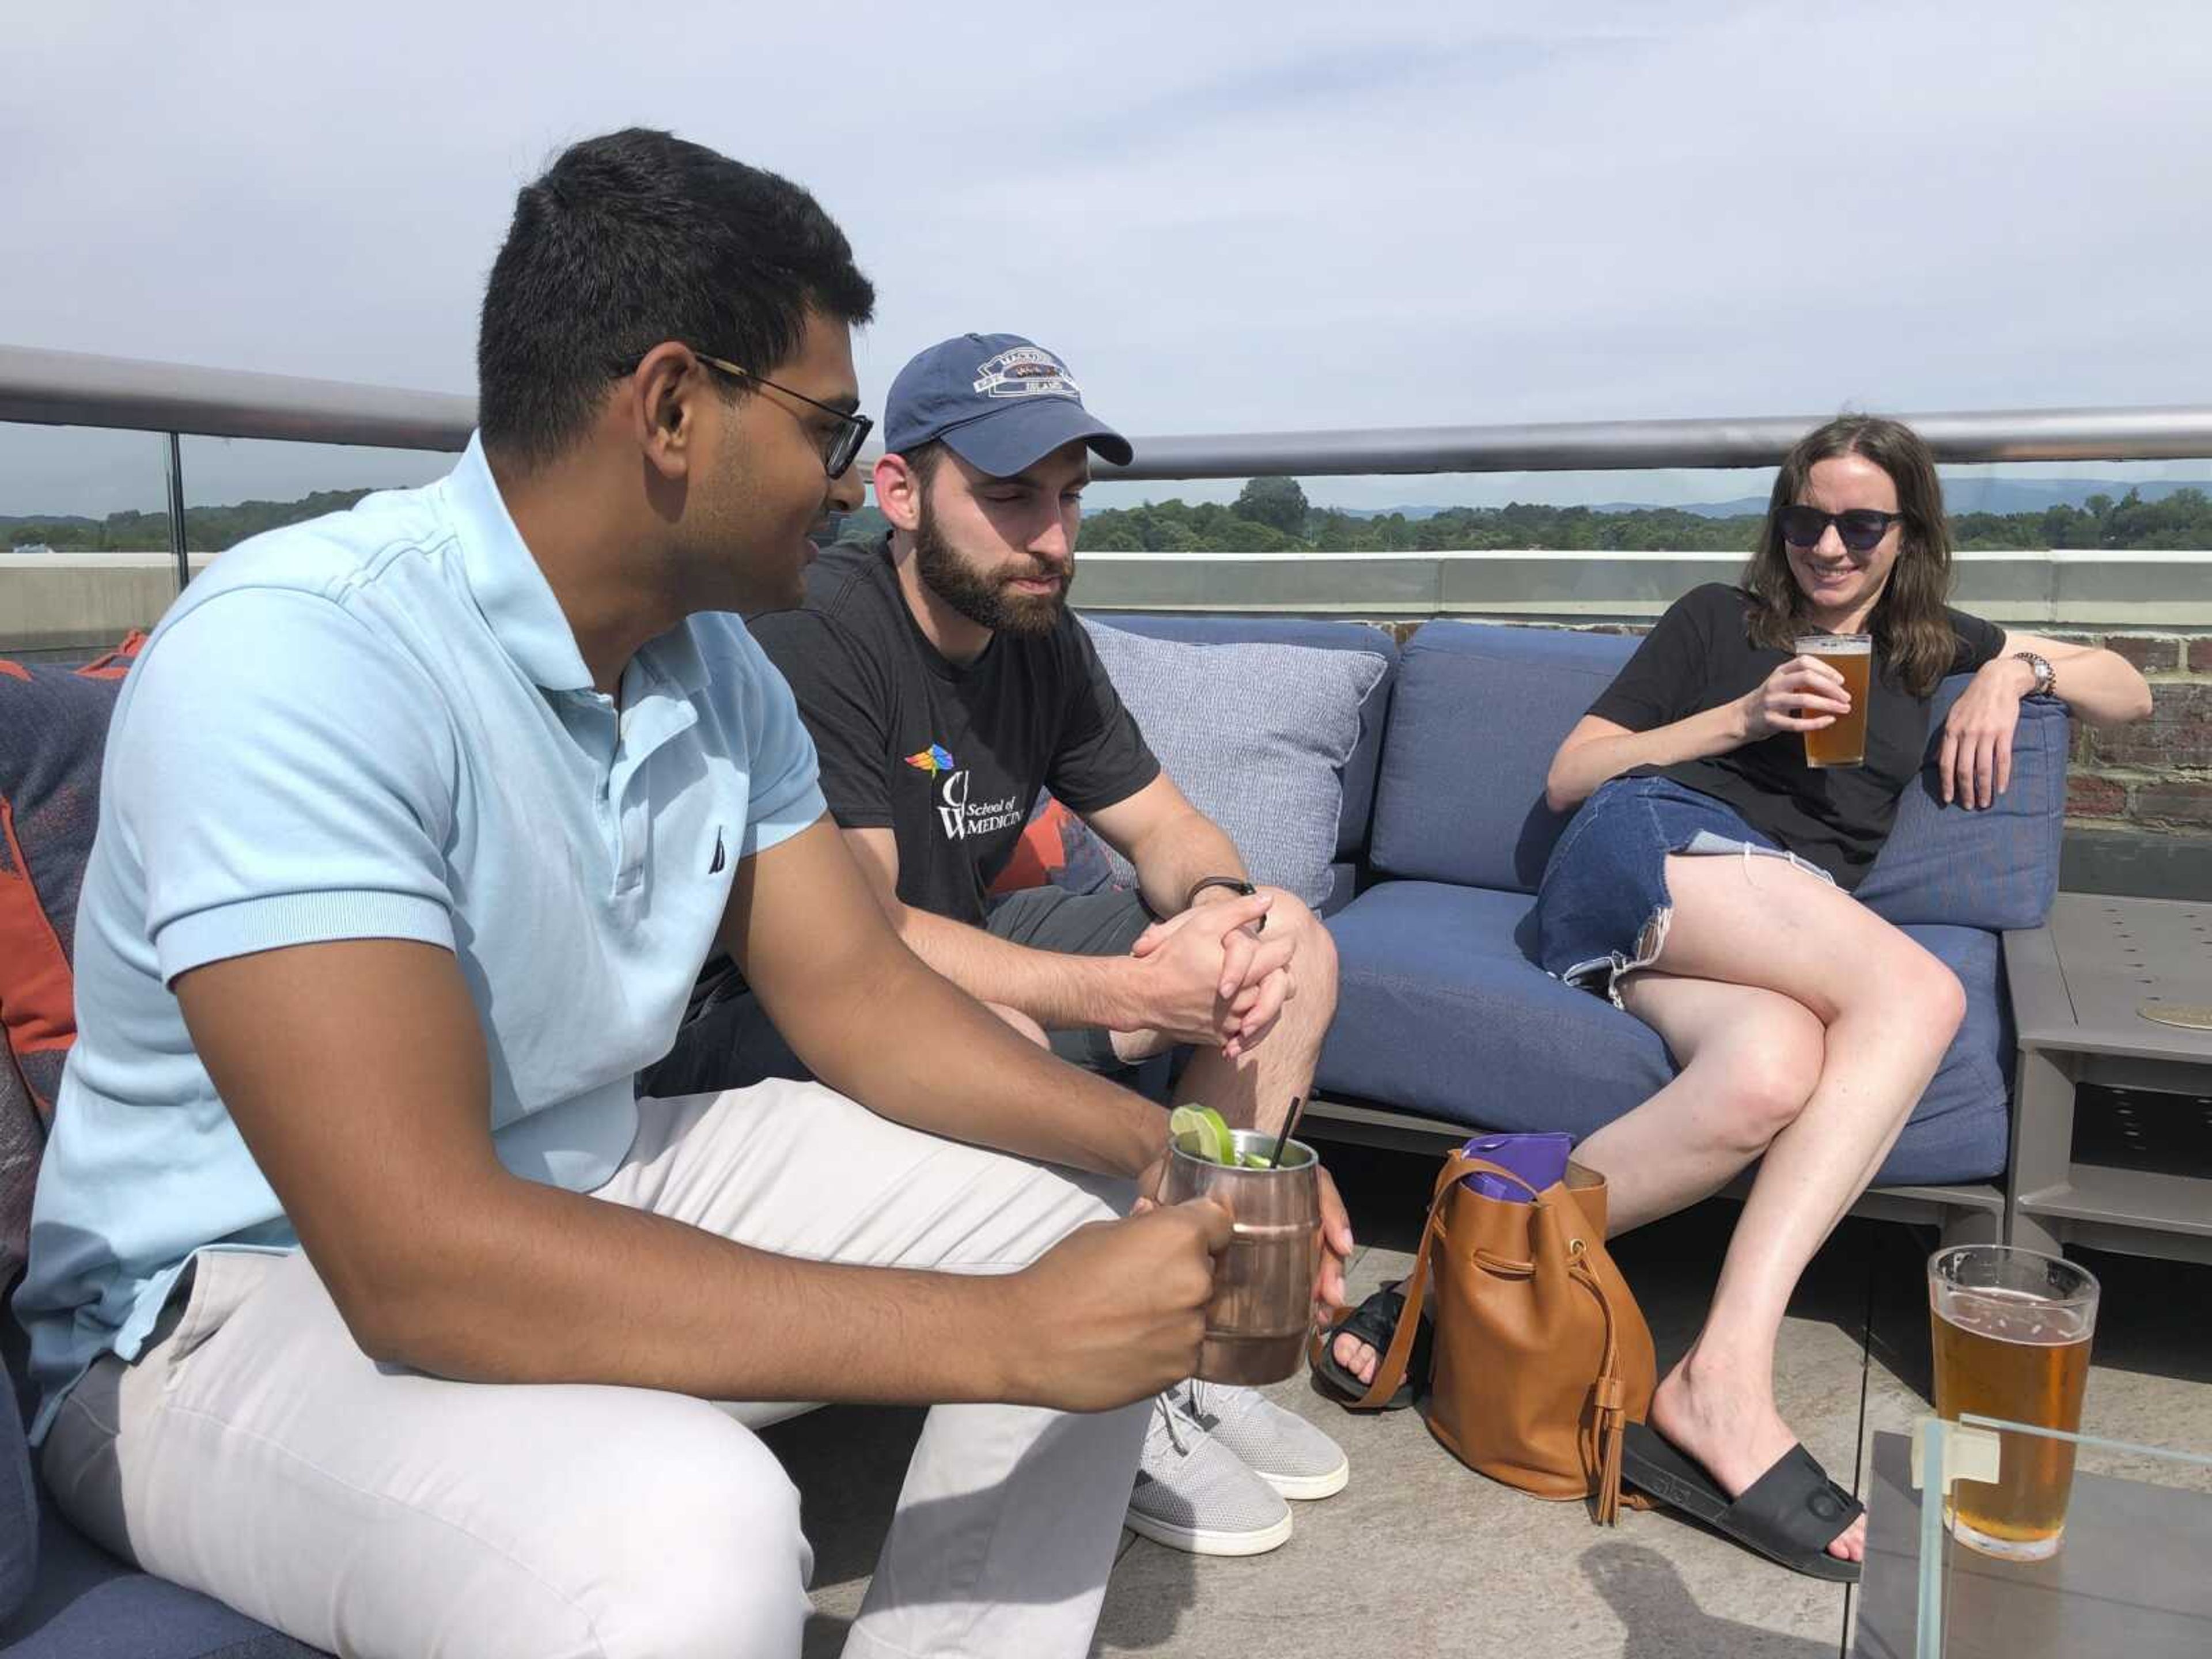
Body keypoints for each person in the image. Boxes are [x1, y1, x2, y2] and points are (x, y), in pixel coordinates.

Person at [14, 129, 1348, 1659]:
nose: (850, 484)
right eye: (829, 431)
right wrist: (1009, 1339)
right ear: (669, 408)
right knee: (687, 1529)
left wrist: (1168, 1151)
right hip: (223, 1305)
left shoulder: (712, 674)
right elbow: (415, 1258)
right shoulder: (300, 659)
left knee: (1108, 1217)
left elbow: (863, 1005)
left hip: (579, 1174)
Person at [1321, 414, 2151, 1580]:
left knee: (1769, 1074)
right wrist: (1742, 717)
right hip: (1647, 846)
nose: (1829, 546)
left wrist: (2015, 672)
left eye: (1861, 524)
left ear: (1908, 532)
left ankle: (1454, 1275)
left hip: (1764, 917)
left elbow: (2129, 695)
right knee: (1915, 993)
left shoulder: (1930, 647)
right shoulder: (1723, 620)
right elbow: (1572, 775)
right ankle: (1723, 1378)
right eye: (1806, 518)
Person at [646, 331, 1354, 1558]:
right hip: (760, 1010)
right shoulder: (822, 631)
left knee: (1291, 944)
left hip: (961, 947)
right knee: (1009, 1033)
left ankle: (1195, 1330)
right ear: (902, 493)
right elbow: (859, 936)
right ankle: (1115, 1377)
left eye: (1071, 499)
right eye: (1013, 496)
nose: (1054, 539)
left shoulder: (1040, 631)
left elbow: (1168, 823)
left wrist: (1216, 919)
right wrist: (1126, 992)